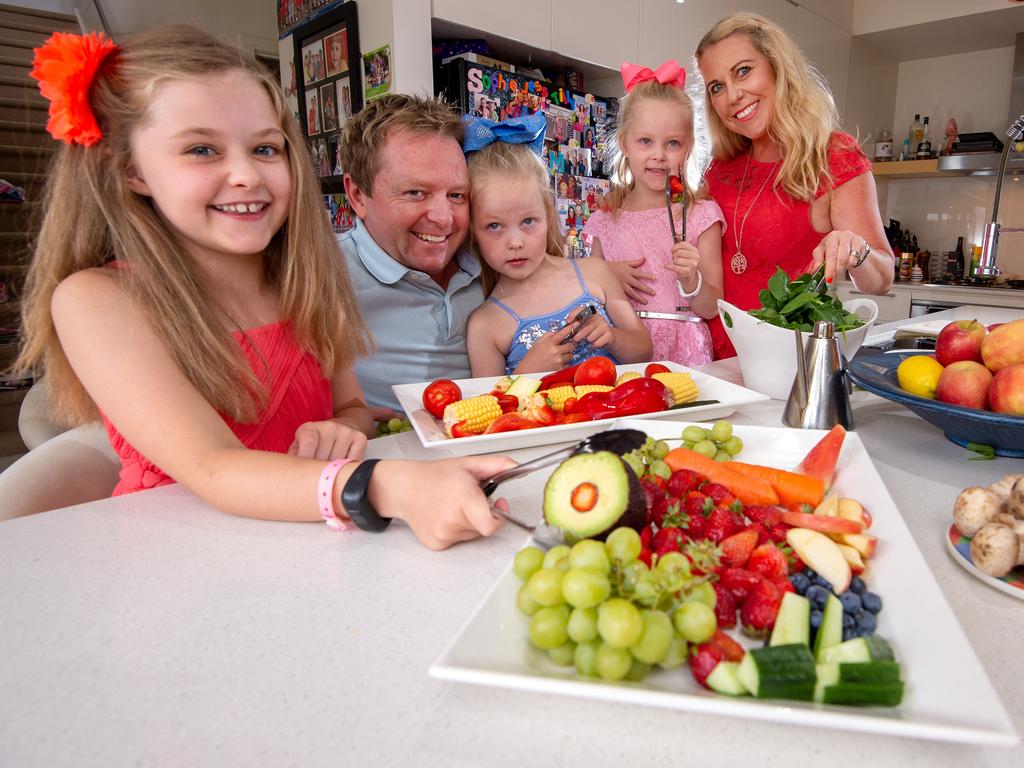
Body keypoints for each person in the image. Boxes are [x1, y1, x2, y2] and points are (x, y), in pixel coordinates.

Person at [13, 27, 514, 549]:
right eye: (202, 149)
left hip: (313, 538)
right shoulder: (97, 300)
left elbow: (351, 407)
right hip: (182, 550)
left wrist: (345, 427)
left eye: (265, 148)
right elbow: (213, 467)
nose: (246, 175)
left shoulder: (307, 279)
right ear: (131, 169)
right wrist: (383, 482)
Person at [695, 13, 895, 359]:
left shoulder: (833, 156)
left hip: (787, 363)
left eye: (743, 71)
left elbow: (880, 279)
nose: (733, 96)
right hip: (709, 362)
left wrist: (854, 247)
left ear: (777, 67)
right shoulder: (719, 168)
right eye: (717, 87)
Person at [462, 114, 651, 377]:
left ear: (549, 217)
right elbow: (491, 409)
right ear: (473, 232)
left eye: (528, 221)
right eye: (494, 226)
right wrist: (526, 372)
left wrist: (612, 337)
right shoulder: (485, 325)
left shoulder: (594, 272)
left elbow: (643, 350)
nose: (515, 242)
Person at [339, 93, 483, 414]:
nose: (444, 218)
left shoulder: (496, 258)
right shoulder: (321, 276)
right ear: (357, 195)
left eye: (457, 195)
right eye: (416, 193)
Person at [584, 60, 725, 366]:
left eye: (672, 143)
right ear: (625, 144)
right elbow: (585, 295)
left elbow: (713, 308)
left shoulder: (701, 215)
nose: (658, 155)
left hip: (685, 353)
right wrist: (606, 276)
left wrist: (692, 279)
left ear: (689, 148)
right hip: (620, 349)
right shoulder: (606, 218)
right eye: (645, 141)